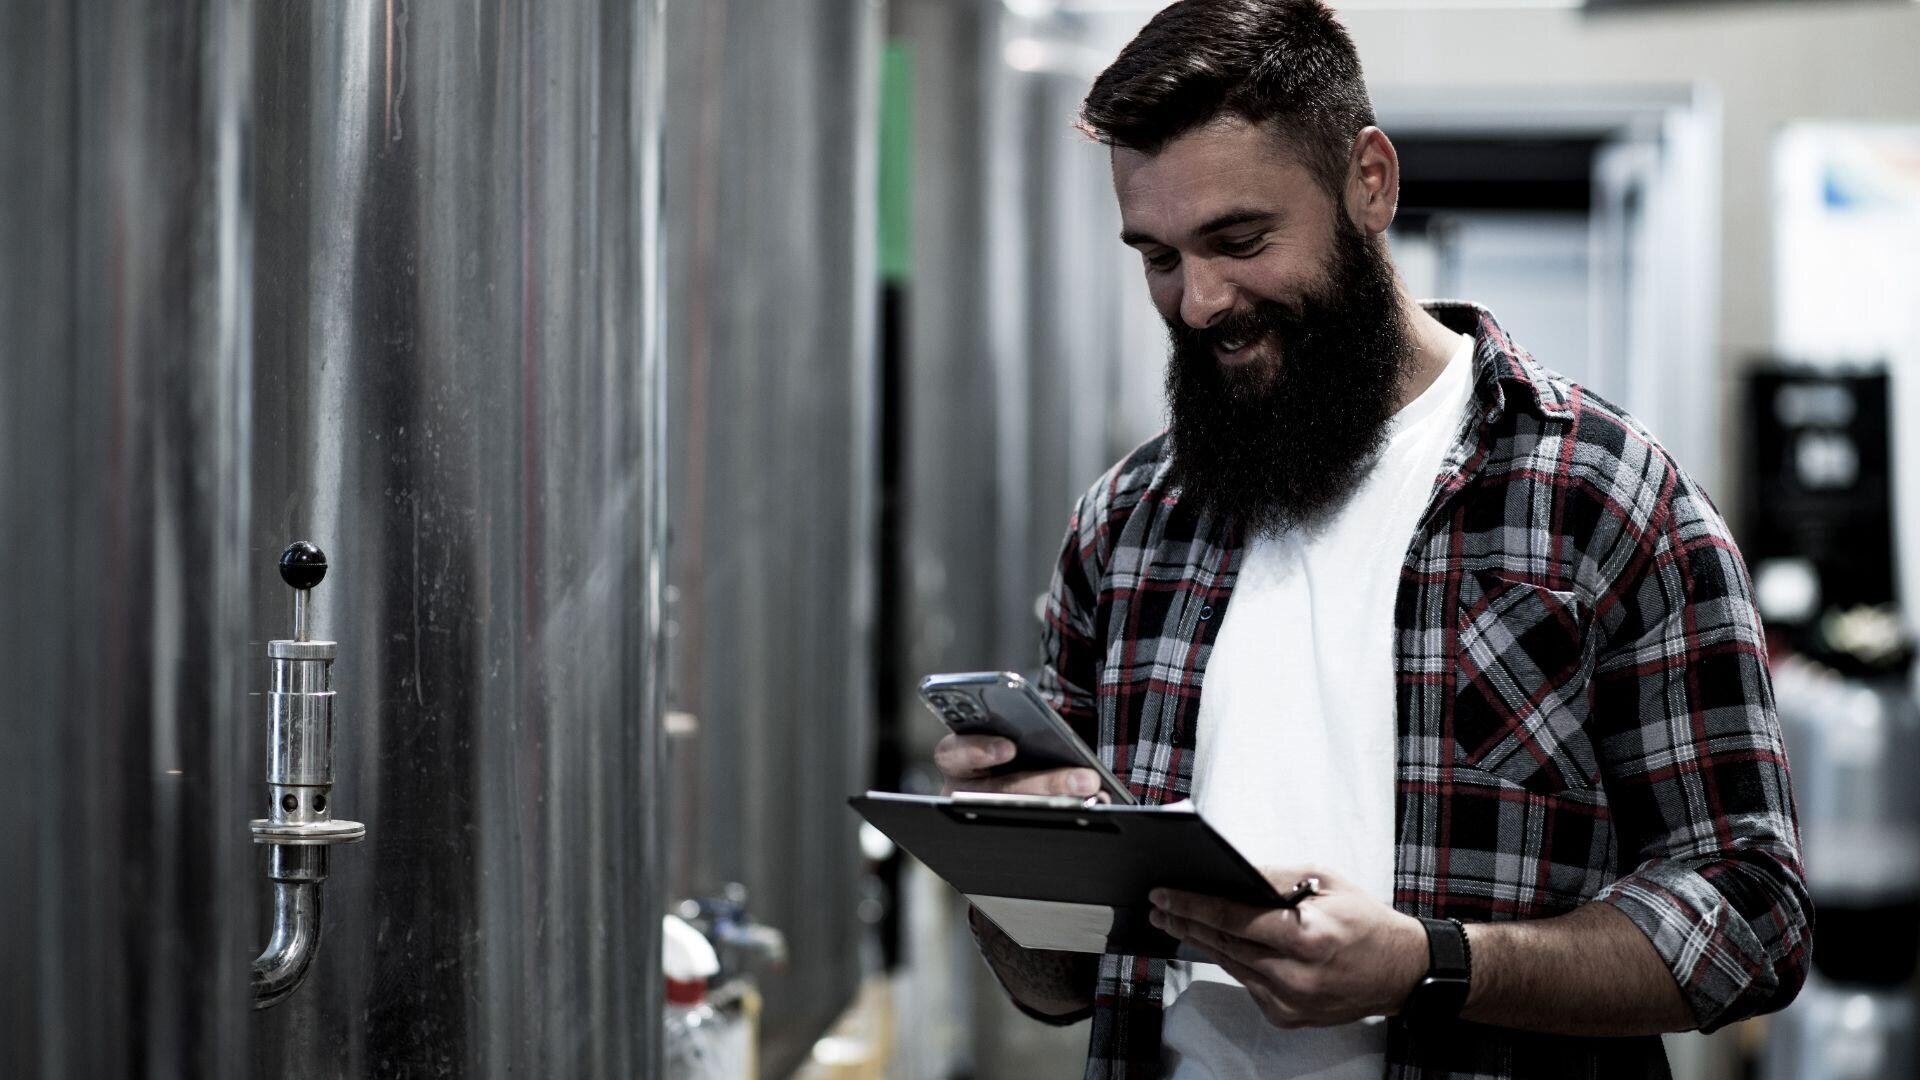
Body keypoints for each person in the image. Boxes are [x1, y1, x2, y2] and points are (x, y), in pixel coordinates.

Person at [931, 2, 1811, 1078]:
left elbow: (1754, 918)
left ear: (1371, 182)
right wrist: (1007, 862)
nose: (1200, 301)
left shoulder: (1604, 501)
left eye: (1240, 240)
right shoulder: (1128, 526)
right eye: (1156, 256)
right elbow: (1057, 989)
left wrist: (1432, 965)